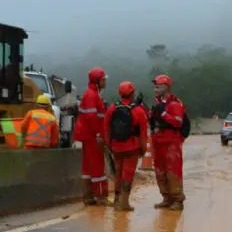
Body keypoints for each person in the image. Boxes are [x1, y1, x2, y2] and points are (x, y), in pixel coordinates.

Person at [104, 81, 149, 212]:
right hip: (132, 147)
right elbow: (143, 133)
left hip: (116, 147)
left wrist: (109, 144)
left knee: (118, 173)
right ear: (132, 93)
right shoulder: (139, 111)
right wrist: (143, 149)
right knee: (127, 174)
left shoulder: (112, 109)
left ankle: (117, 200)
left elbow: (106, 128)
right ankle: (124, 202)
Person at [149, 74, 187, 210]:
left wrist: (164, 114)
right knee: (160, 170)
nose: (155, 88)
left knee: (173, 170)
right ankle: (166, 197)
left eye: (158, 86)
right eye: (155, 86)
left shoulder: (175, 104)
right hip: (158, 140)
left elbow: (178, 122)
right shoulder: (157, 103)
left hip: (171, 142)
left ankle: (177, 199)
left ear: (166, 87)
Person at [73, 67, 109, 205]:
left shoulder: (92, 94)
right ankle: (101, 196)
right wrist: (99, 134)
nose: (105, 82)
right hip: (92, 136)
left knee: (88, 167)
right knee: (97, 167)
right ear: (98, 81)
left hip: (89, 136)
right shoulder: (92, 95)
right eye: (103, 80)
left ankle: (88, 196)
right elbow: (92, 118)